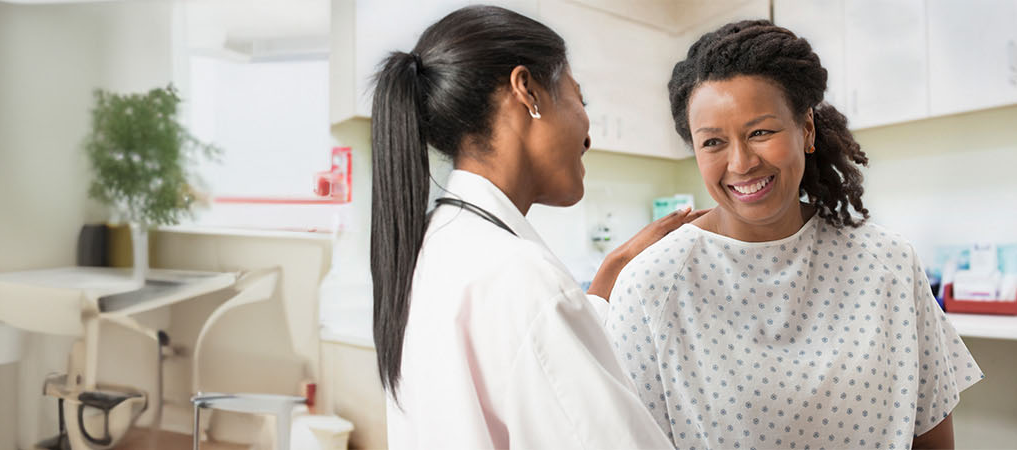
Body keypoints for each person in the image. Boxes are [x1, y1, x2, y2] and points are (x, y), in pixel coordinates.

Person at [605, 20, 982, 449]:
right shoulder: (650, 285)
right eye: (713, 142)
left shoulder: (889, 264)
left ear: (806, 129)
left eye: (760, 132)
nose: (741, 162)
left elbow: (931, 434)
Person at [369, 5, 697, 448]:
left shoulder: (435, 246)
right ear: (527, 91)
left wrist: (605, 279)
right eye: (580, 99)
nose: (588, 134)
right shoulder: (518, 276)